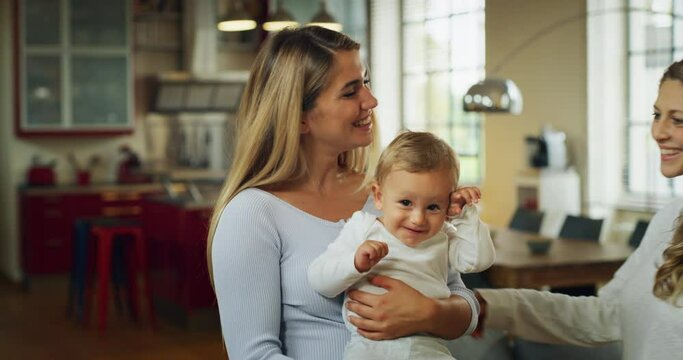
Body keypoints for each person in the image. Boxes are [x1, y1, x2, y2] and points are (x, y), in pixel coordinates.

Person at [207, 26, 480, 360]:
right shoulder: (253, 214)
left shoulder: (390, 197)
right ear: (300, 117)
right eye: (351, 92)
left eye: (365, 82)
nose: (371, 100)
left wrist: (429, 313)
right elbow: (255, 355)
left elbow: (463, 301)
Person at [474, 59, 683, 359]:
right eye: (657, 114)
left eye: (678, 120)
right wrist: (479, 305)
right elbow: (605, 313)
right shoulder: (669, 218)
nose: (659, 132)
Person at [308, 131, 495, 359]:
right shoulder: (363, 228)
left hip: (426, 348)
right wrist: (354, 263)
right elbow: (320, 280)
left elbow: (478, 261)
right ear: (378, 196)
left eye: (433, 207)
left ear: (448, 205)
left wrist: (466, 215)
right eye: (406, 203)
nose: (418, 218)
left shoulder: (443, 236)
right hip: (368, 348)